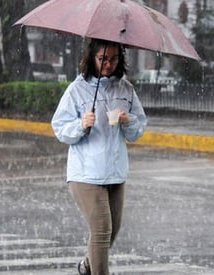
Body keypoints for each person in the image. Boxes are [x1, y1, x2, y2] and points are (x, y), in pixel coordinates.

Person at [51, 39, 147, 275]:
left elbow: (138, 130)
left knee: (112, 230)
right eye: (103, 58)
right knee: (102, 229)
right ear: (92, 58)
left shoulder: (126, 90)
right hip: (86, 173)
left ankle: (87, 266)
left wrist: (129, 121)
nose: (108, 64)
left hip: (115, 171)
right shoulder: (77, 89)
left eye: (114, 59)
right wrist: (81, 125)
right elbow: (60, 127)